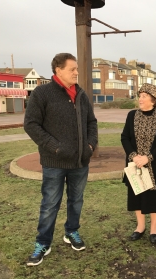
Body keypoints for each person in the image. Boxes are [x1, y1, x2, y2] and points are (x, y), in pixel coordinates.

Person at [24, 53, 98, 266]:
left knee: (76, 200)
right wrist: (55, 147)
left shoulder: (81, 94)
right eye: (72, 69)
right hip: (54, 162)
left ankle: (71, 232)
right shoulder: (42, 93)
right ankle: (43, 243)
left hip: (80, 162)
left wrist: (90, 145)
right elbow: (31, 124)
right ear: (58, 70)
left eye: (76, 69)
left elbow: (91, 123)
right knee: (50, 204)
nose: (76, 72)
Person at [121, 83, 156, 244]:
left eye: (144, 96)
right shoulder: (131, 115)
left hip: (154, 164)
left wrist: (148, 158)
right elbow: (125, 137)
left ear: (153, 100)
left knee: (154, 196)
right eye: (140, 96)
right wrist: (134, 156)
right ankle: (140, 226)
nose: (140, 99)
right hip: (135, 164)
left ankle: (154, 228)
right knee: (137, 194)